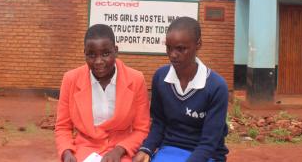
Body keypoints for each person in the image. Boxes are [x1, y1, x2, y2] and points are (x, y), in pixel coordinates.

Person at [133, 17, 229, 162]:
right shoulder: (161, 77)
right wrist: (146, 148)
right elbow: (159, 123)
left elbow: (209, 142)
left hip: (206, 154)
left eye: (181, 49)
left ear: (198, 45)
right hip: (170, 149)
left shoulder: (216, 86)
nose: (173, 55)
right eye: (169, 48)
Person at [55, 24, 150, 162]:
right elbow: (63, 127)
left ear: (115, 51)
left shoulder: (135, 80)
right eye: (91, 55)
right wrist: (67, 152)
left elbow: (141, 129)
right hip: (84, 150)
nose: (98, 61)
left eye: (105, 54)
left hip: (122, 151)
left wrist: (119, 151)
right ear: (85, 54)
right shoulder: (71, 80)